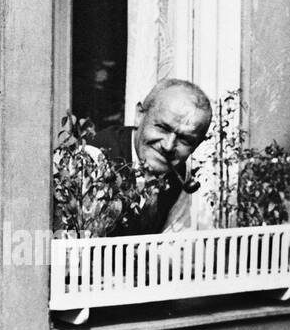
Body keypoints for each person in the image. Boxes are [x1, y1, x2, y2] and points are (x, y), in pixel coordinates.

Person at [90, 78, 212, 236]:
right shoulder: (94, 159)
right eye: (162, 127)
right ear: (140, 115)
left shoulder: (181, 175)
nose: (168, 146)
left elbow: (172, 243)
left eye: (185, 139)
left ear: (197, 145)